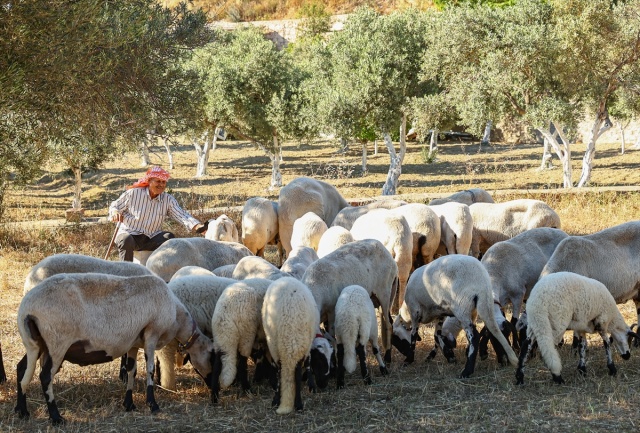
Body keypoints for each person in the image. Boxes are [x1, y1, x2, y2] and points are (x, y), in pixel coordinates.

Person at [108, 166, 206, 262]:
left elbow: (182, 215)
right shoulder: (133, 193)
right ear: (149, 181)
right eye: (158, 181)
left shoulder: (168, 199)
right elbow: (115, 206)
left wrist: (197, 226)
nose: (161, 185)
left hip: (151, 237)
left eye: (163, 182)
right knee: (126, 240)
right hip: (130, 234)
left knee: (168, 238)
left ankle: (160, 269)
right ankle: (126, 273)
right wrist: (115, 212)